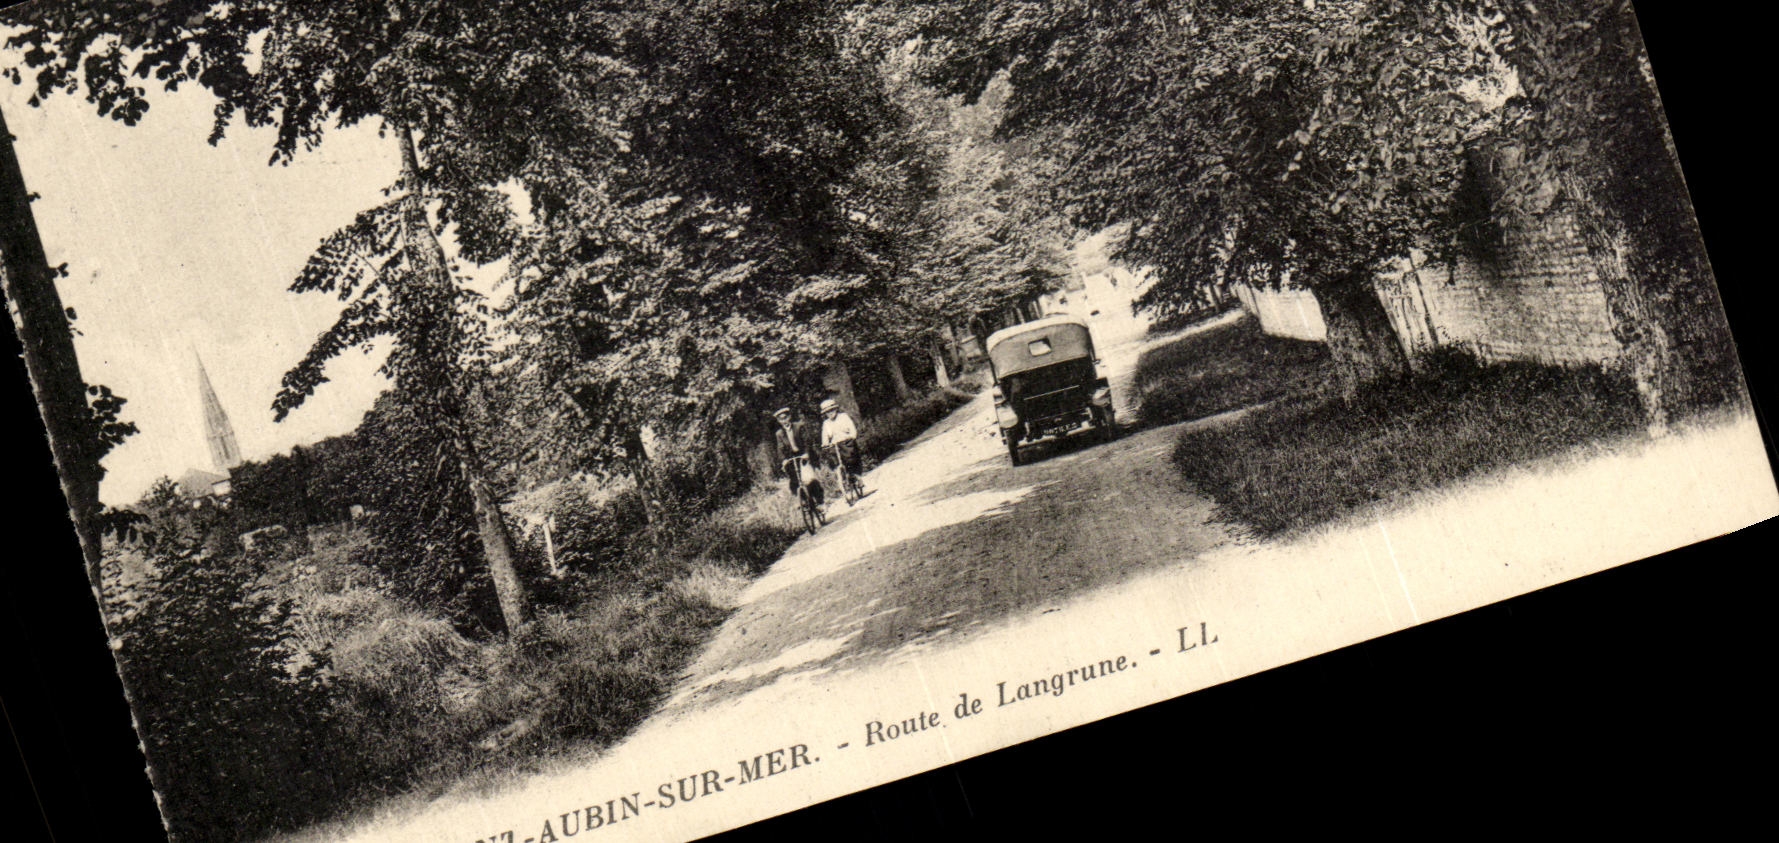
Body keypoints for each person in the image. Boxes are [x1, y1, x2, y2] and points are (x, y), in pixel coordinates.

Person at [773, 406, 823, 506]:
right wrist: (783, 460)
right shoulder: (779, 434)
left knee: (810, 479)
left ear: (789, 417)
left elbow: (807, 441)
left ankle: (820, 502)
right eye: (781, 419)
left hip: (803, 455)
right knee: (794, 481)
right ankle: (803, 500)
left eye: (785, 417)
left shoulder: (799, 426)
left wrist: (806, 453)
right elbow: (780, 449)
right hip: (791, 458)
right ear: (779, 421)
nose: (784, 421)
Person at [819, 398, 866, 498]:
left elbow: (852, 429)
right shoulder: (826, 423)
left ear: (836, 409)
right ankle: (842, 479)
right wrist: (825, 443)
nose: (830, 413)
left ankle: (857, 477)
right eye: (827, 412)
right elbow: (825, 436)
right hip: (835, 446)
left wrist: (852, 436)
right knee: (834, 460)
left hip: (847, 442)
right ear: (825, 414)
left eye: (832, 410)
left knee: (851, 459)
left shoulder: (844, 417)